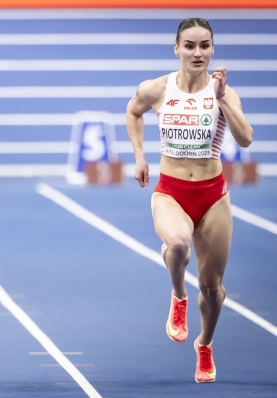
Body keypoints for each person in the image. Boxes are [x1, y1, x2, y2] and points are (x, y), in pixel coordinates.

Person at [126, 18, 253, 383]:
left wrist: (223, 98)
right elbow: (133, 111)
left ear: (213, 49)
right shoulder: (158, 88)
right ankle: (179, 296)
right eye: (190, 45)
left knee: (213, 289)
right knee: (178, 244)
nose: (198, 53)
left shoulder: (224, 92)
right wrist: (139, 156)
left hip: (213, 196)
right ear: (177, 48)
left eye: (205, 46)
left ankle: (205, 344)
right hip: (171, 192)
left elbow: (245, 139)